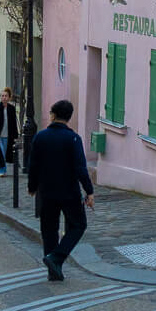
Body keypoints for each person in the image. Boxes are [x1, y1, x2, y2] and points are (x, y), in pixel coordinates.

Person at [28, 99, 95, 281]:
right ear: (69, 117)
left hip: (46, 191)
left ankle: (53, 269)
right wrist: (89, 191)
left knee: (49, 229)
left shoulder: (40, 137)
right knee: (78, 225)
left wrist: (32, 187)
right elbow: (81, 168)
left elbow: (33, 165)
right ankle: (56, 259)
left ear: (53, 115)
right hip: (69, 191)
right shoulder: (73, 138)